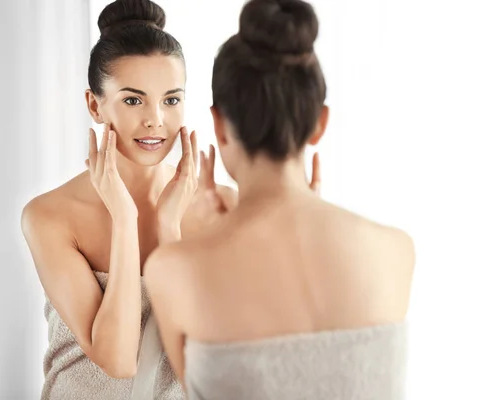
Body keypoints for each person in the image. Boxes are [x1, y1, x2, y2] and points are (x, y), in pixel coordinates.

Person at [143, 0, 416, 399]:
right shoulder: (397, 251)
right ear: (319, 123)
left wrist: (207, 237)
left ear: (219, 125)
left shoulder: (173, 271)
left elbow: (195, 389)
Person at [20, 0, 232, 398]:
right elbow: (118, 361)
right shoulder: (49, 216)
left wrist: (170, 228)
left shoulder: (220, 208)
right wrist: (124, 218)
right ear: (94, 105)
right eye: (134, 100)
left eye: (171, 99)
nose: (155, 119)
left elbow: (209, 362)